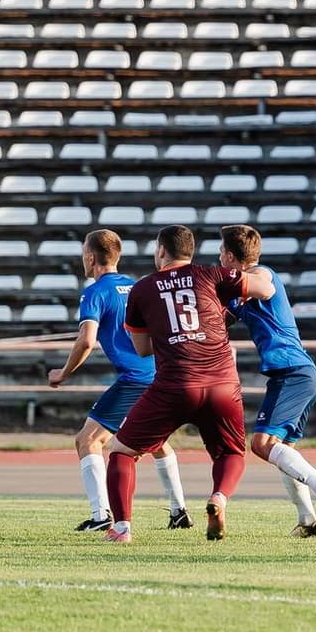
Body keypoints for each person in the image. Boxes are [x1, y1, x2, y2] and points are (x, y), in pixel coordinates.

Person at [104, 225, 247, 544]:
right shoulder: (212, 275)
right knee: (231, 453)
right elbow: (263, 289)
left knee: (122, 452)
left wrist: (174, 335)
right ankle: (219, 499)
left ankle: (122, 529)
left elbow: (142, 349)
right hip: (222, 382)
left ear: (160, 251)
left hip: (175, 385)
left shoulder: (142, 289)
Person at [46, 229, 190, 532]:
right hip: (161, 373)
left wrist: (63, 373)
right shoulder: (137, 286)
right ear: (118, 255)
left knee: (87, 440)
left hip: (134, 378)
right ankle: (179, 512)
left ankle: (101, 516)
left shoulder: (95, 292)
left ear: (89, 256)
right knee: (157, 442)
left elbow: (86, 341)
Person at [218, 223, 316, 537]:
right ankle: (306, 520)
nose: (218, 257)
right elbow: (218, 320)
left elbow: (264, 286)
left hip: (292, 371)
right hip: (297, 372)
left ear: (232, 257)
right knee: (283, 449)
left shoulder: (263, 274)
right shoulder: (237, 295)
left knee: (261, 445)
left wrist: (225, 282)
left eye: (222, 252)